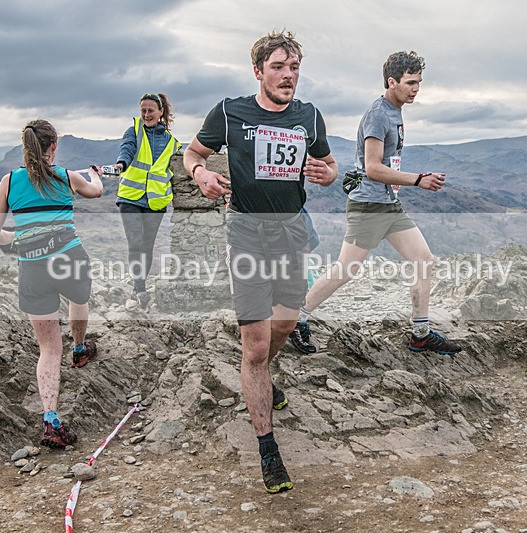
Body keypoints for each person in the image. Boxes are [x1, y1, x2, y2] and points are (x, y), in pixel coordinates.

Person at [183, 31, 337, 494]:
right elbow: (192, 152)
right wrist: (201, 173)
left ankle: (262, 377)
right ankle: (268, 449)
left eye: (294, 67)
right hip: (246, 231)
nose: (288, 75)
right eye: (278, 67)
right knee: (253, 345)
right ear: (258, 72)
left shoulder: (309, 116)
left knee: (285, 325)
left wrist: (324, 173)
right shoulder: (230, 112)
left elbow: (328, 167)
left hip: (290, 231)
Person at [289, 50, 461, 356]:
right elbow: (372, 167)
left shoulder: (395, 110)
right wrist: (418, 179)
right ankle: (296, 319)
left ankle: (420, 333)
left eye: (419, 82)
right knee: (346, 269)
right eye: (410, 82)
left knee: (424, 260)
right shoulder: (379, 114)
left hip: (388, 205)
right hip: (369, 205)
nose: (416, 89)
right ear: (391, 81)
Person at [0, 119, 103, 448]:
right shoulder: (65, 177)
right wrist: (96, 174)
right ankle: (80, 350)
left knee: (49, 349)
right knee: (79, 298)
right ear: (54, 147)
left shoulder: (9, 182)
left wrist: (21, 240)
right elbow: (96, 192)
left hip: (33, 267)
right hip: (69, 259)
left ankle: (51, 421)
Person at [113, 93, 181, 310]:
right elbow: (127, 148)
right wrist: (121, 164)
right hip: (130, 197)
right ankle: (139, 287)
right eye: (143, 110)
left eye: (151, 110)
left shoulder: (172, 143)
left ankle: (140, 284)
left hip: (156, 201)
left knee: (147, 245)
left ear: (161, 112)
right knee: (135, 243)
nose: (146, 114)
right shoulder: (134, 130)